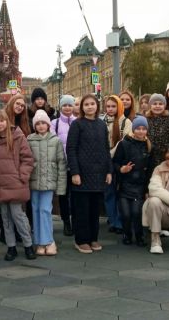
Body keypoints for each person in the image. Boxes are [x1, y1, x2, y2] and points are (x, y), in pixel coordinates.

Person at [67, 94, 112, 254]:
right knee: (82, 209)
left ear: (97, 106)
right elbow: (71, 149)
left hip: (98, 174)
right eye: (86, 104)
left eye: (92, 104)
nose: (90, 107)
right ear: (81, 107)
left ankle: (93, 238)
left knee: (94, 209)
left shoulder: (101, 124)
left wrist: (108, 170)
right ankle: (81, 240)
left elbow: (106, 149)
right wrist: (75, 172)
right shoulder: (77, 125)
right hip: (82, 174)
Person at [0, 110, 35, 261]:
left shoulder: (18, 137)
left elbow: (27, 158)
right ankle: (11, 247)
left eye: (2, 120)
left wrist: (22, 176)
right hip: (1, 184)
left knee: (18, 216)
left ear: (7, 121)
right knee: (6, 218)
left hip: (16, 183)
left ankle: (28, 245)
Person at [28, 110, 66, 256]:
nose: (41, 126)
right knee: (36, 211)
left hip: (49, 182)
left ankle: (48, 241)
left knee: (45, 210)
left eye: (44, 123)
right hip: (34, 181)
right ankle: (39, 242)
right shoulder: (30, 139)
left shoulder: (55, 140)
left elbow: (61, 163)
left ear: (48, 124)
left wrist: (61, 186)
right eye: (38, 123)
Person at [112, 116, 152, 246]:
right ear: (133, 130)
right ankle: (127, 234)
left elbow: (150, 169)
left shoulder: (149, 146)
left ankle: (139, 236)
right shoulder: (124, 144)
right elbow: (115, 162)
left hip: (139, 186)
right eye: (138, 129)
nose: (141, 131)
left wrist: (147, 189)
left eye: (143, 129)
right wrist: (121, 169)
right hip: (124, 185)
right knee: (126, 214)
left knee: (136, 212)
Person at [103, 95, 131, 234]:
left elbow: (124, 142)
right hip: (105, 162)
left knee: (120, 192)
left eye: (113, 106)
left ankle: (120, 222)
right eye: (108, 106)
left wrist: (110, 154)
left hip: (119, 161)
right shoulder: (102, 121)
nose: (110, 109)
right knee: (108, 192)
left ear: (119, 107)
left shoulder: (125, 122)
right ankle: (113, 220)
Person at [50, 94, 76, 236]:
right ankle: (66, 222)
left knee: (76, 195)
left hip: (76, 166)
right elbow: (53, 144)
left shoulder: (78, 122)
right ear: (60, 107)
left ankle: (76, 220)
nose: (67, 108)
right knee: (63, 195)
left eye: (69, 105)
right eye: (64, 105)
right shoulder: (55, 124)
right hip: (62, 165)